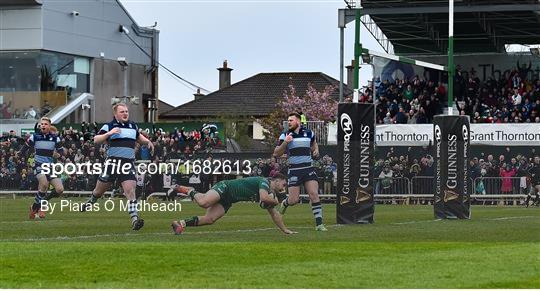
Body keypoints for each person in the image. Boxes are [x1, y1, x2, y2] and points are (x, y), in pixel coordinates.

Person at [80, 103, 154, 231]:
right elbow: (96, 139)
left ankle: (135, 219)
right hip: (112, 164)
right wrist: (109, 133)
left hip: (127, 164)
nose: (125, 113)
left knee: (130, 191)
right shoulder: (109, 126)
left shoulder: (132, 126)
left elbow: (140, 138)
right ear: (115, 114)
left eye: (126, 111)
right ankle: (91, 201)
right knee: (99, 191)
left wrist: (148, 142)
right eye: (122, 112)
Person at [168, 173, 296, 235]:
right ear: (277, 180)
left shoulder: (270, 193)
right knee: (203, 203)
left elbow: (274, 213)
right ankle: (186, 189)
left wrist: (284, 230)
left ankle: (180, 224)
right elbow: (264, 198)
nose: (283, 188)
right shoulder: (265, 182)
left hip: (229, 200)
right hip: (226, 187)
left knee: (209, 219)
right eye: (284, 185)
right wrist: (277, 200)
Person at [273, 112, 327, 231]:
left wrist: (316, 150)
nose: (289, 122)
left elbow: (314, 144)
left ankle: (319, 224)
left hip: (308, 168)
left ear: (298, 121)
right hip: (294, 170)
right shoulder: (285, 134)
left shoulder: (309, 133)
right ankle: (285, 203)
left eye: (291, 120)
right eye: (288, 120)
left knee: (314, 194)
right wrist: (286, 142)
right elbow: (276, 153)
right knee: (294, 200)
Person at [19, 117, 64, 219]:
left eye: (45, 124)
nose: (43, 125)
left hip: (50, 166)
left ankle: (36, 206)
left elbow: (61, 151)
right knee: (44, 184)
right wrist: (19, 153)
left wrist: (58, 155)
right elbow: (25, 146)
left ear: (49, 126)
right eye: (41, 124)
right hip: (39, 165)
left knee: (60, 189)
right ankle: (41, 208)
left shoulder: (55, 138)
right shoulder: (35, 136)